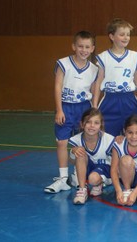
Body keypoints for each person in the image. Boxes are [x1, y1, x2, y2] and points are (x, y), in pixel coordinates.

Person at [44, 31, 99, 194]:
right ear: (74, 46)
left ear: (92, 48)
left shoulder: (94, 69)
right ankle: (62, 178)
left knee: (81, 143)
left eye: (87, 47)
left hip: (84, 108)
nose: (84, 50)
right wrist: (59, 109)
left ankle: (77, 175)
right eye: (80, 46)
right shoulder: (63, 63)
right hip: (67, 107)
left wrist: (94, 109)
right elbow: (57, 87)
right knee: (62, 142)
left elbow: (95, 89)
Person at [94, 18, 137, 137]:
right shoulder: (103, 57)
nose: (126, 37)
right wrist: (94, 105)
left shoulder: (134, 56)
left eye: (128, 35)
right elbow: (98, 81)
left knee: (132, 134)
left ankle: (130, 156)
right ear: (112, 36)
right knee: (108, 135)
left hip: (129, 99)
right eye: (122, 34)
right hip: (109, 100)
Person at [69, 108, 115, 204]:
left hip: (105, 170)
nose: (92, 126)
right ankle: (82, 190)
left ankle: (99, 183)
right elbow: (72, 161)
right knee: (81, 153)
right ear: (82, 124)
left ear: (101, 125)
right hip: (88, 168)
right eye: (88, 122)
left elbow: (117, 161)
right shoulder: (76, 140)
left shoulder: (109, 139)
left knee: (93, 179)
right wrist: (73, 151)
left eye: (96, 123)